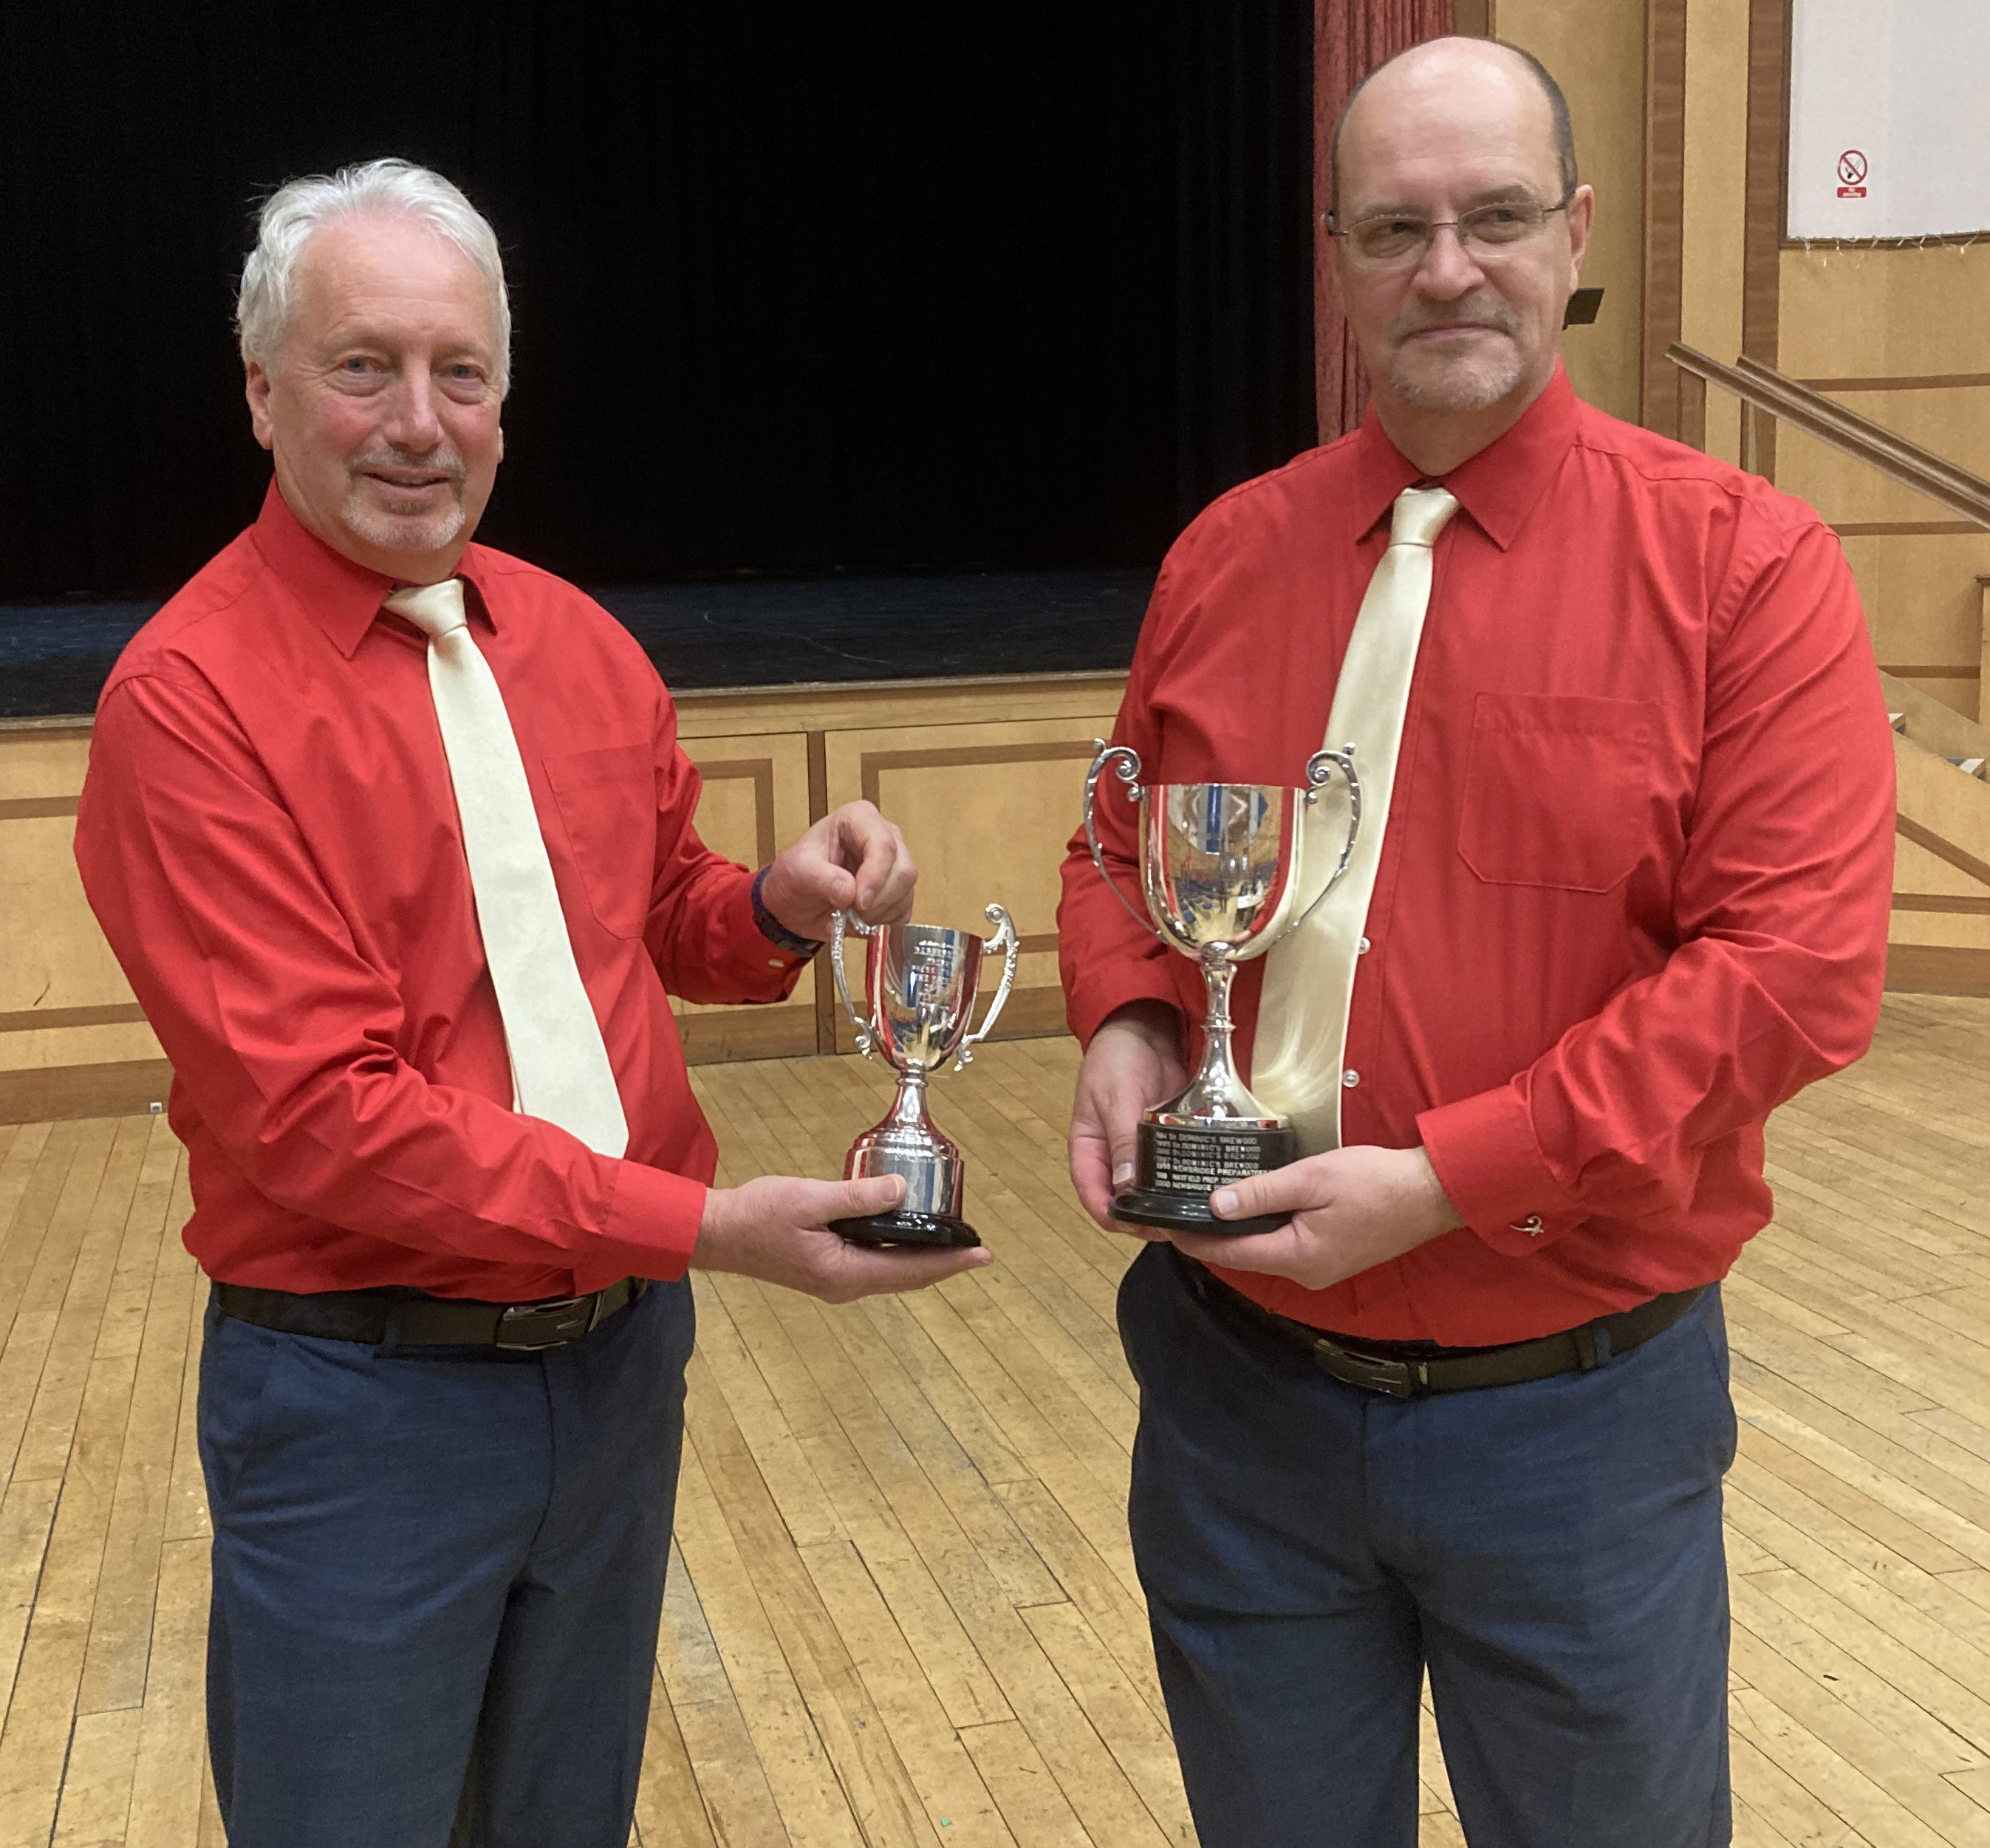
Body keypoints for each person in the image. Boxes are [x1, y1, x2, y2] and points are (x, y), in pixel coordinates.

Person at [74, 158, 990, 1848]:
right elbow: (329, 1124)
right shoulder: (187, 706)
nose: (419, 421)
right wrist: (700, 1225)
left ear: (506, 394)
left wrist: (777, 903)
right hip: (365, 1400)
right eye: (364, 368)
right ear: (263, 393)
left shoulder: (575, 644)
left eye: (462, 371)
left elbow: (644, 922)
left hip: (619, 1371)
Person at [1059, 37, 1895, 1848]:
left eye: (1498, 217)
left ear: (1574, 233)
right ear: (1339, 258)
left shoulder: (1744, 568)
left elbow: (1790, 976)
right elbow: (1123, 844)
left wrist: (1448, 1179)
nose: (1450, 267)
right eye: (1399, 227)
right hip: (1238, 1406)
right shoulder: (1225, 559)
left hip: (1573, 1429)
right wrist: (1132, 1022)